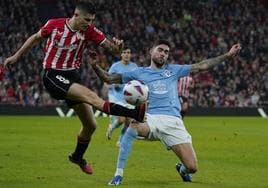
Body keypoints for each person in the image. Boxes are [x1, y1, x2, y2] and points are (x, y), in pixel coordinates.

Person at [3, 2, 146, 175]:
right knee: (94, 98)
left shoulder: (90, 31)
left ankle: (77, 157)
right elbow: (35, 37)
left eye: (92, 20)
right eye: (87, 19)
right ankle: (135, 113)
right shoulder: (54, 25)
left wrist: (118, 47)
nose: (89, 23)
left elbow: (113, 50)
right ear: (76, 15)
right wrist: (17, 55)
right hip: (53, 75)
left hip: (72, 76)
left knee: (91, 125)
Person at [90, 39, 241, 185]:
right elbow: (109, 78)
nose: (163, 54)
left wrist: (227, 55)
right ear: (151, 51)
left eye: (166, 52)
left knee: (192, 167)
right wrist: (96, 66)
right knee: (134, 126)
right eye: (160, 50)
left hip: (173, 121)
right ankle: (118, 174)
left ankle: (182, 170)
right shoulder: (138, 72)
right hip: (150, 118)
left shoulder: (174, 70)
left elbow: (202, 66)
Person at [106, 46, 138, 147]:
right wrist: (113, 83)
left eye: (128, 52)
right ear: (121, 54)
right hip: (116, 96)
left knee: (129, 121)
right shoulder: (115, 66)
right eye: (124, 52)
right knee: (122, 119)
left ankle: (120, 141)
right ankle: (112, 127)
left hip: (130, 98)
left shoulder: (134, 67)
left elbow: (138, 81)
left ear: (131, 54)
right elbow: (107, 79)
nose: (126, 54)